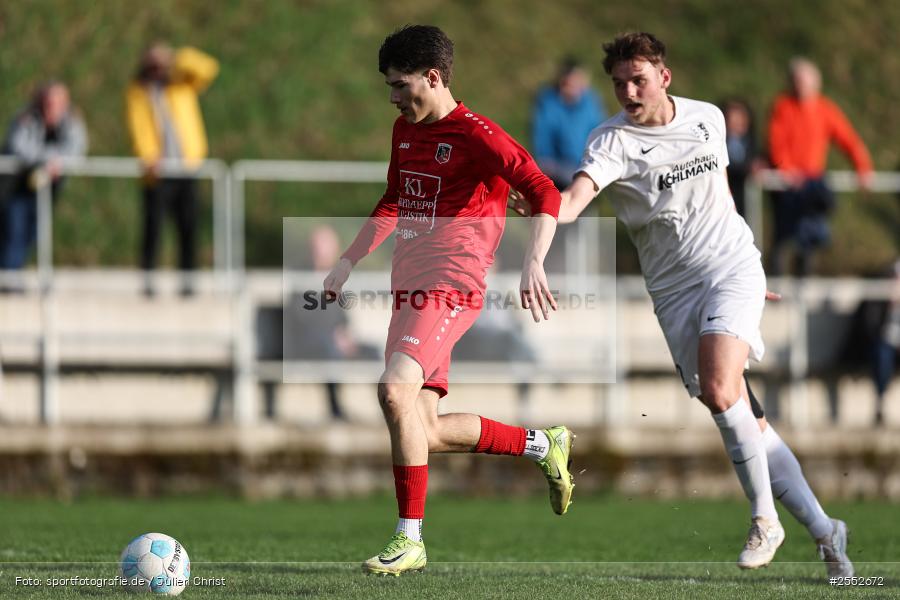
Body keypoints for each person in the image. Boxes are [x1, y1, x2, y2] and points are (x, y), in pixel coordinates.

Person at [511, 32, 852, 578]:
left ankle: (766, 519)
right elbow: (572, 201)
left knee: (721, 390)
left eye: (637, 79)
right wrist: (537, 243)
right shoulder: (611, 142)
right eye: (619, 82)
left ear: (664, 77)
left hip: (731, 268)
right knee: (747, 418)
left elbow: (721, 194)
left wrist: (744, 275)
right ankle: (825, 529)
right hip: (674, 294)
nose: (627, 90)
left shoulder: (707, 118)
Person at [323, 25, 572, 576]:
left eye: (399, 85)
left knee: (393, 390)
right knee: (424, 426)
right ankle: (543, 444)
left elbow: (543, 189)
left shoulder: (480, 135)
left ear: (433, 78)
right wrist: (348, 260)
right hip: (408, 290)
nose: (392, 97)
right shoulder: (404, 131)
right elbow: (394, 199)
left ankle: (409, 539)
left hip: (452, 284)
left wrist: (534, 260)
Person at [126, 43, 219, 296]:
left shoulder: (181, 83)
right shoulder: (139, 90)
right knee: (153, 228)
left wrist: (178, 57)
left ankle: (188, 283)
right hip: (158, 172)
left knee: (188, 228)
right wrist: (149, 157)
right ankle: (148, 282)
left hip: (186, 168)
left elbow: (209, 68)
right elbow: (139, 127)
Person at [767, 58, 872, 277]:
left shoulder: (825, 109)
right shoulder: (783, 106)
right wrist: (786, 169)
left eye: (805, 82)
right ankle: (774, 285)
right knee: (781, 235)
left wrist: (862, 166)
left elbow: (848, 139)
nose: (801, 86)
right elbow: (776, 142)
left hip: (812, 183)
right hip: (787, 184)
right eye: (797, 81)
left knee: (810, 236)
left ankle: (803, 282)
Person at [1, 81, 87, 272]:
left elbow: (76, 150)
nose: (52, 106)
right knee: (14, 227)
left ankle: (13, 272)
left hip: (47, 187)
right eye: (49, 102)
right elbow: (18, 146)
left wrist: (57, 163)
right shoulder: (26, 118)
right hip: (16, 185)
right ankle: (9, 277)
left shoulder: (72, 121)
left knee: (34, 230)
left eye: (57, 102)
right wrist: (47, 160)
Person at [532, 58, 606, 190]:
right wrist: (545, 160)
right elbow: (542, 134)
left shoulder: (591, 101)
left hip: (586, 164)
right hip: (557, 166)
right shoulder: (548, 101)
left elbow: (599, 131)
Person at [721, 98, 759, 218]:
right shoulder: (720, 142)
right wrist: (746, 168)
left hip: (745, 197)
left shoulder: (750, 142)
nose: (737, 123)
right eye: (733, 119)